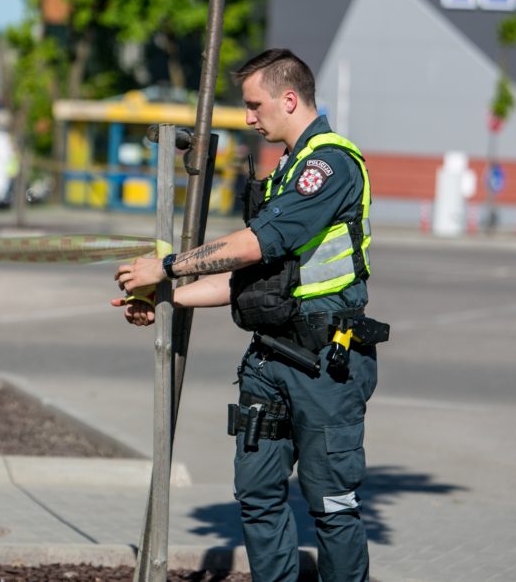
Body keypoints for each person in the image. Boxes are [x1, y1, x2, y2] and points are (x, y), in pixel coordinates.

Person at [112, 48, 386, 582]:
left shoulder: (329, 165)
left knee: (331, 507)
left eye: (255, 105)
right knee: (257, 498)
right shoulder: (286, 170)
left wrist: (166, 268)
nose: (249, 117)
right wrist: (164, 298)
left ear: (290, 98)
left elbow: (258, 244)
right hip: (269, 360)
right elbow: (249, 282)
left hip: (325, 364)